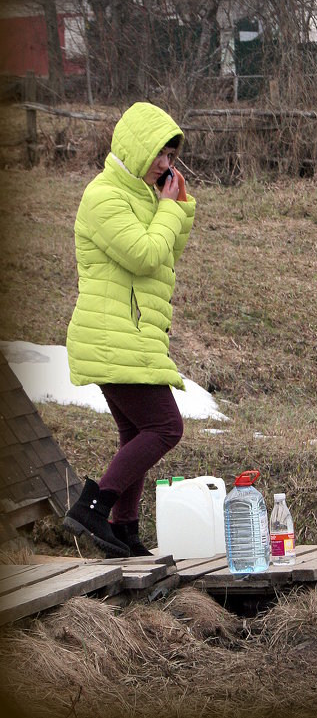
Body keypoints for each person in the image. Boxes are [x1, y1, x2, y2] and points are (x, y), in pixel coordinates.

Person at [63, 102, 196, 558]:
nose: (166, 164)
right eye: (161, 153)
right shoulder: (103, 197)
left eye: (173, 157)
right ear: (138, 147)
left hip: (129, 335)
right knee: (165, 427)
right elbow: (143, 255)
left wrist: (176, 207)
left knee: (136, 432)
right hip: (110, 336)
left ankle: (124, 529)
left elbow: (166, 255)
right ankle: (92, 507)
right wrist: (167, 209)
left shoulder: (141, 196)